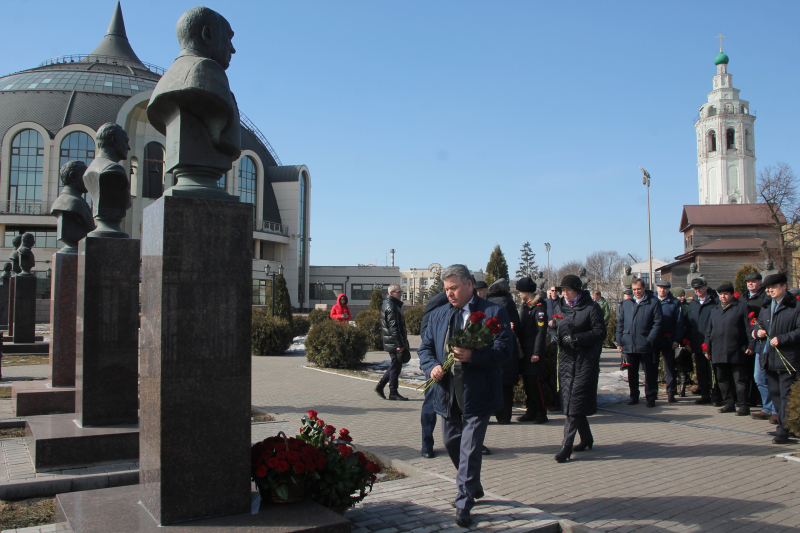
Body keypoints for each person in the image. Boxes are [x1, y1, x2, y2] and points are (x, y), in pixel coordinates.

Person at [418, 264, 513, 527]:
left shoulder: (493, 312)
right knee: (450, 442)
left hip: (478, 392)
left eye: (454, 288)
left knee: (470, 449)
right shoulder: (439, 315)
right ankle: (473, 485)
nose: (449, 293)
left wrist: (474, 356)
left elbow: (505, 350)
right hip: (447, 393)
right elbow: (425, 348)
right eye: (446, 289)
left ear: (469, 285)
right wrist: (432, 367)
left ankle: (464, 502)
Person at [549, 275, 605, 463]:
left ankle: (566, 446)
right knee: (572, 403)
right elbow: (552, 326)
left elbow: (599, 332)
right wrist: (554, 336)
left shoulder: (591, 308)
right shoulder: (561, 307)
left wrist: (577, 339)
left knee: (574, 404)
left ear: (577, 291)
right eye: (563, 290)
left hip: (585, 361)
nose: (565, 294)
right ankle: (587, 438)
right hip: (566, 361)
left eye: (568, 291)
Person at [753, 273, 800, 444]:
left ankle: (784, 429)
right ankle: (783, 426)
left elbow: (798, 330)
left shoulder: (795, 306)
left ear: (784, 287)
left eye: (772, 287)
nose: (769, 290)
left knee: (786, 394)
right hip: (770, 357)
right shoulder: (766, 307)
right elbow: (757, 324)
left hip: (788, 359)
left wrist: (783, 338)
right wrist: (757, 333)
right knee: (776, 394)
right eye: (767, 288)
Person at [705, 283, 755, 415]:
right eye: (721, 294)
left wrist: (751, 345)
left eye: (726, 294)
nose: (723, 296)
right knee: (722, 380)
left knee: (740, 380)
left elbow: (749, 328)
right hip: (718, 351)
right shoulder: (715, 310)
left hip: (736, 350)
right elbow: (709, 332)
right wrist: (707, 349)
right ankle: (729, 404)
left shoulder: (742, 308)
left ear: (732, 294)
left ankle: (744, 405)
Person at [617, 278, 663, 407]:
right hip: (629, 344)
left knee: (650, 373)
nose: (637, 292)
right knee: (632, 372)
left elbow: (658, 323)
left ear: (644, 288)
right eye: (635, 290)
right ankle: (634, 396)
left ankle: (651, 396)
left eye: (639, 289)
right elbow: (620, 323)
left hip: (646, 344)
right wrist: (619, 341)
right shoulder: (627, 304)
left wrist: (650, 339)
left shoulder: (653, 302)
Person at [740, 272, 776, 423]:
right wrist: (756, 332)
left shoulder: (767, 301)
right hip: (759, 344)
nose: (750, 284)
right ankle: (767, 407)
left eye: (753, 281)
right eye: (748, 281)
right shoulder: (744, 298)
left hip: (773, 344)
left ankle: (775, 410)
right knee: (758, 377)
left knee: (772, 378)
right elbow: (755, 323)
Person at [419, 290, 450, 458]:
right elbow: (426, 335)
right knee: (430, 406)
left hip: (459, 369)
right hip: (436, 367)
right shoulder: (439, 303)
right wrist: (434, 364)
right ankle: (427, 443)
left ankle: (472, 442)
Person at [487, 279, 521, 424]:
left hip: (489, 350)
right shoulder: (510, 305)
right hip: (508, 351)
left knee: (488, 385)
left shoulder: (486, 306)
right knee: (506, 387)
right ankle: (505, 417)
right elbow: (517, 327)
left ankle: (486, 415)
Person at [515, 277, 548, 424]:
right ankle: (531, 410)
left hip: (533, 351)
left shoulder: (539, 307)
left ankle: (541, 412)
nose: (519, 294)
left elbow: (541, 332)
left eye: (520, 291)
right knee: (527, 383)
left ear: (526, 291)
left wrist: (537, 352)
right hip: (525, 351)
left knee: (534, 383)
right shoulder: (525, 306)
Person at [685, 277, 719, 404]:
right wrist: (687, 341)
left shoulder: (714, 301)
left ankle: (717, 395)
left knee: (715, 372)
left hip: (713, 342)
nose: (697, 290)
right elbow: (689, 324)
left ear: (706, 287)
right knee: (701, 371)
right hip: (697, 342)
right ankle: (705, 394)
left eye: (700, 287)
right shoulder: (693, 303)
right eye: (695, 288)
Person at [375, 284, 410, 401]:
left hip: (393, 341)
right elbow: (393, 328)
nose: (401, 294)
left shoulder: (393, 304)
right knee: (396, 367)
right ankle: (393, 392)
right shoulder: (391, 306)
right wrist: (400, 344)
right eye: (398, 292)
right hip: (394, 342)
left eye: (401, 292)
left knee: (395, 365)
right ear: (391, 293)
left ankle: (381, 386)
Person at [654, 280, 683, 403]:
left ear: (668, 290)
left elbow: (679, 323)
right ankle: (652, 391)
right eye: (660, 288)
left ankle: (671, 392)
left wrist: (677, 340)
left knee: (670, 367)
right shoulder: (652, 301)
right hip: (654, 339)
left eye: (665, 288)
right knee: (652, 366)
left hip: (668, 339)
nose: (662, 290)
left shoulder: (675, 303)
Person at [672, 287, 694, 397]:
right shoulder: (674, 305)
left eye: (683, 295)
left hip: (684, 341)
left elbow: (689, 325)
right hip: (674, 340)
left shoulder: (688, 307)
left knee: (683, 368)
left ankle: (683, 389)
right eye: (679, 296)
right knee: (674, 367)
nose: (682, 297)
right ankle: (673, 388)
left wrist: (686, 340)